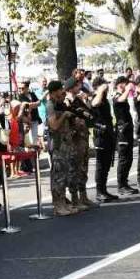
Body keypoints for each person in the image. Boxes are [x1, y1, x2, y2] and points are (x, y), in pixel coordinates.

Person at [44, 81, 76, 216]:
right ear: (54, 91)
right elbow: (54, 126)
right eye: (59, 90)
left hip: (64, 144)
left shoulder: (58, 103)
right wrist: (64, 115)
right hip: (57, 145)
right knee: (58, 176)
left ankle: (63, 203)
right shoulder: (50, 105)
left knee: (64, 176)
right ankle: (58, 206)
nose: (62, 92)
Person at [65, 79, 95, 209]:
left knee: (83, 168)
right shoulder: (66, 101)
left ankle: (83, 197)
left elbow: (90, 114)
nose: (80, 88)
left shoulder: (78, 100)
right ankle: (75, 199)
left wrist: (86, 100)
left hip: (83, 136)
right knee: (74, 169)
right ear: (71, 87)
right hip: (74, 139)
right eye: (77, 86)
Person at [89, 77, 118, 202]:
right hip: (100, 136)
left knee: (106, 164)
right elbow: (94, 104)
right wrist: (100, 90)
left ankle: (104, 190)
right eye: (103, 85)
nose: (106, 88)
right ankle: (99, 192)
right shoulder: (95, 97)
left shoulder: (104, 98)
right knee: (101, 165)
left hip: (108, 134)